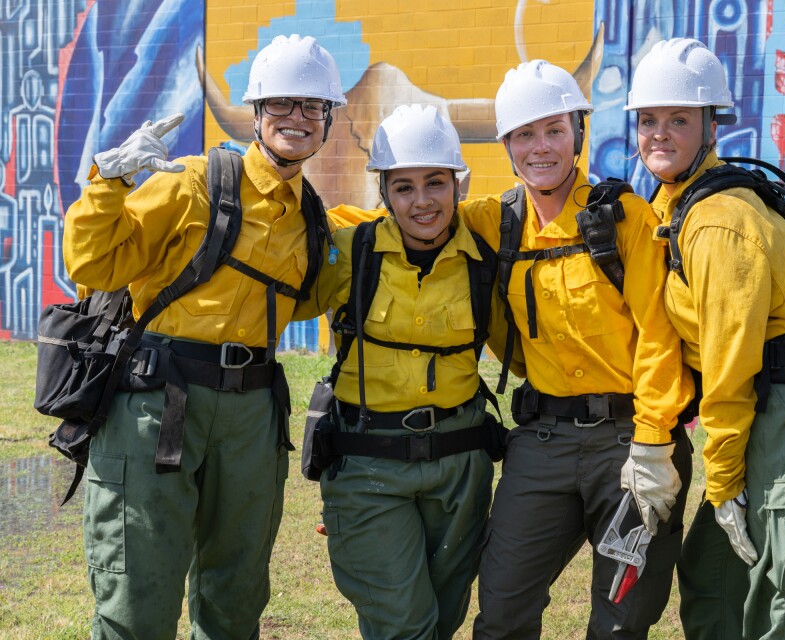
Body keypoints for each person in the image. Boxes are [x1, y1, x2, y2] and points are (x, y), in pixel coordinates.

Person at [62, 34, 371, 639]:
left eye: (313, 106)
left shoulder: (312, 217)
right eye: (281, 103)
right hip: (157, 401)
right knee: (138, 597)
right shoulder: (193, 184)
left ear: (330, 119)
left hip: (251, 411)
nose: (297, 118)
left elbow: (308, 296)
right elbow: (95, 266)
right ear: (256, 113)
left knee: (235, 596)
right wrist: (107, 184)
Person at [624, 38, 785, 639]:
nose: (659, 133)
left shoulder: (721, 221)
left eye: (678, 119)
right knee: (713, 583)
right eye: (648, 120)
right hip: (763, 415)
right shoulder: (678, 203)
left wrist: (723, 478)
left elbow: (731, 367)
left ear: (711, 126)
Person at [458, 59, 694, 639]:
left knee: (621, 619)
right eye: (523, 134)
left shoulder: (623, 221)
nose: (541, 147)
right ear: (506, 144)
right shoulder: (492, 222)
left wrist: (656, 442)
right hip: (541, 443)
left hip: (631, 444)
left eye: (554, 130)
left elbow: (660, 336)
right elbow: (404, 217)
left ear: (578, 133)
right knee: (503, 607)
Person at [293, 103, 521, 640]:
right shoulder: (352, 252)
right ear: (384, 192)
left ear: (458, 186)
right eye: (404, 187)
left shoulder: (486, 259)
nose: (422, 202)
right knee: (404, 625)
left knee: (442, 618)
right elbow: (273, 283)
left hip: (461, 467)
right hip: (369, 464)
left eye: (435, 183)